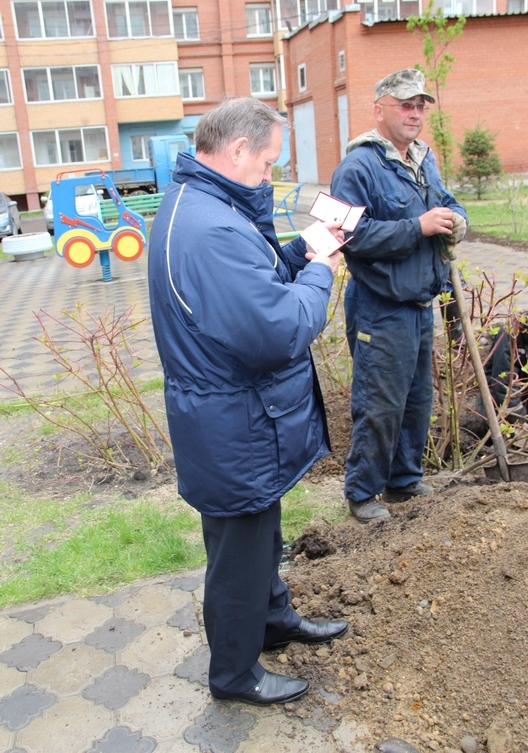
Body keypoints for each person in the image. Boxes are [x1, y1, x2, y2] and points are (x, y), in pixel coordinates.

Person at [148, 97, 348, 706]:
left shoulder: (206, 205)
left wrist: (292, 254)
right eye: (267, 165)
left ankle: (273, 619)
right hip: (235, 421)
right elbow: (276, 332)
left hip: (236, 418)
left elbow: (244, 289)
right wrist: (319, 270)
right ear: (237, 150)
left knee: (259, 531)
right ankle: (235, 675)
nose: (269, 176)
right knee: (238, 554)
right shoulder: (210, 228)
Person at [330, 69, 468, 523]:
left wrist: (456, 220)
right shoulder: (357, 166)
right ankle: (362, 493)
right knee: (379, 402)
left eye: (421, 105)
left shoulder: (423, 160)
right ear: (379, 109)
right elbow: (346, 235)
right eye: (405, 104)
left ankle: (404, 482)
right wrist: (418, 227)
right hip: (379, 307)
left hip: (418, 303)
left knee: (415, 399)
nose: (415, 113)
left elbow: (448, 203)